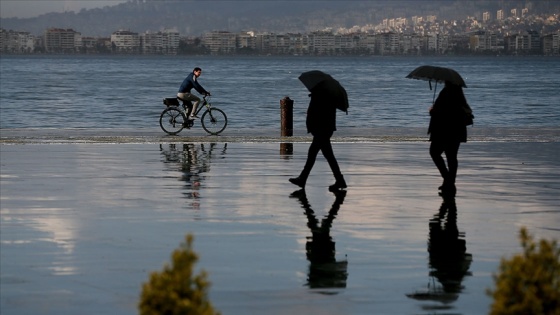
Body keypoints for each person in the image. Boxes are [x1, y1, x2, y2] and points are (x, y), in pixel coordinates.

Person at [289, 81, 347, 191]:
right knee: (327, 156)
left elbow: (316, 114)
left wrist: (313, 127)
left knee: (314, 154)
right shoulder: (325, 96)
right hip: (324, 130)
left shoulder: (321, 97)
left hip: (322, 130)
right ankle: (340, 180)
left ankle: (303, 179)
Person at [428, 81, 468, 196]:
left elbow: (442, 112)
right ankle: (449, 182)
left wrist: (433, 111)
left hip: (443, 130)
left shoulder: (446, 93)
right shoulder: (459, 95)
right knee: (451, 157)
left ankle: (448, 181)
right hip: (456, 131)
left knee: (435, 153)